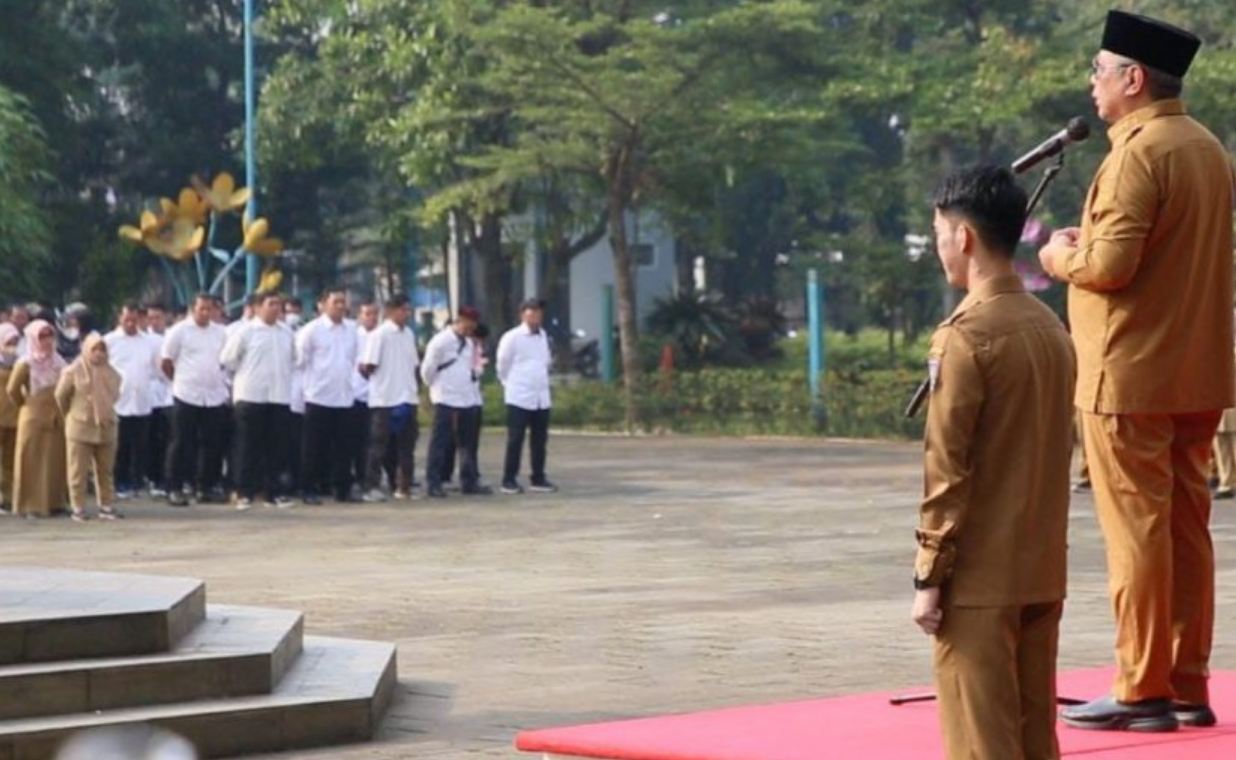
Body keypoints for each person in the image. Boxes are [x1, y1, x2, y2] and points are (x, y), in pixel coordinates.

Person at [1038, 11, 1234, 731]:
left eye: (1099, 70)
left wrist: (1059, 256)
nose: (1092, 84)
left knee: (1139, 534)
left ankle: (1140, 685)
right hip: (1195, 371)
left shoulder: (1136, 155)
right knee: (1186, 529)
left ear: (1133, 78)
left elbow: (1111, 266)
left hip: (1130, 376)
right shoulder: (1207, 148)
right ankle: (1186, 684)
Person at [911, 166, 1075, 760]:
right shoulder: (1051, 328)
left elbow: (947, 471)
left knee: (983, 742)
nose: (938, 248)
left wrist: (929, 576)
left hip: (979, 579)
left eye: (937, 234)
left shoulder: (964, 336)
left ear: (964, 238)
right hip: (1040, 568)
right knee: (1036, 739)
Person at [220, 293, 296, 511]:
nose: (275, 308)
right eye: (270, 304)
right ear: (257, 307)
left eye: (278, 304)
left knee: (277, 448)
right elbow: (228, 360)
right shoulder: (245, 332)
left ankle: (274, 493)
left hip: (279, 396)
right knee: (246, 447)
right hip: (251, 396)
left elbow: (294, 359)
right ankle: (244, 492)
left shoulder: (286, 333)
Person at [161, 294, 229, 507]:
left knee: (211, 444)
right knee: (181, 442)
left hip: (213, 395)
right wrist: (178, 380)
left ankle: (205, 487)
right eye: (202, 309)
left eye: (210, 309)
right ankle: (174, 487)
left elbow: (225, 361)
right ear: (193, 309)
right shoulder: (179, 331)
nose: (206, 313)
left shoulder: (221, 333)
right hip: (186, 394)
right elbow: (166, 361)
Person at [296, 287, 359, 503]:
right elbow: (299, 362)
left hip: (343, 396)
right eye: (336, 302)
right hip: (318, 396)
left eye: (343, 302)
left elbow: (353, 360)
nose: (341, 306)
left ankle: (343, 489)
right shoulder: (311, 330)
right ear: (323, 304)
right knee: (314, 448)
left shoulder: (352, 329)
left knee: (344, 447)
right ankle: (309, 489)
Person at [422, 307, 491, 497]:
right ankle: (434, 482)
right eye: (469, 324)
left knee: (468, 443)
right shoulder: (441, 342)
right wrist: (433, 389)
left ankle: (469, 480)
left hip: (466, 397)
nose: (471, 328)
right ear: (460, 320)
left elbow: (472, 368)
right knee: (440, 441)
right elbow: (428, 370)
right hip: (445, 396)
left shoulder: (469, 343)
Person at [359, 294, 420, 502]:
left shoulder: (409, 334)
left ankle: (404, 486)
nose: (407, 314)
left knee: (407, 446)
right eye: (403, 310)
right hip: (384, 398)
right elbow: (368, 365)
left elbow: (413, 364)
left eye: (408, 310)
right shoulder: (380, 335)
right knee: (378, 446)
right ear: (391, 311)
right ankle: (371, 486)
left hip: (407, 396)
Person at [56, 333, 123, 521]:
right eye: (94, 349)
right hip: (80, 427)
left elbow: (115, 397)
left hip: (107, 427)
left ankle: (106, 506)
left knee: (106, 470)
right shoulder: (72, 371)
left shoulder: (113, 373)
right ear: (85, 349)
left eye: (102, 350)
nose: (99, 354)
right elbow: (60, 397)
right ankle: (78, 507)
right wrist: (72, 414)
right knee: (78, 470)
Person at [5, 320, 68, 517]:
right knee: (31, 461)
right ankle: (30, 505)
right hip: (32, 416)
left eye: (50, 336)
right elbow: (12, 390)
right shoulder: (25, 363)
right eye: (42, 337)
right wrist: (28, 406)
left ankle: (55, 502)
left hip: (55, 417)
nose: (47, 341)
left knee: (55, 460)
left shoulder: (59, 362)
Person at [497, 299, 556, 494]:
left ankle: (538, 477)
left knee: (540, 440)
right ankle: (509, 478)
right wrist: (511, 384)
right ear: (522, 315)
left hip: (541, 395)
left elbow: (545, 362)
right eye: (530, 314)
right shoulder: (512, 337)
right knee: (516, 439)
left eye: (538, 314)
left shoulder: (543, 336)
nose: (534, 318)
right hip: (519, 395)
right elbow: (502, 365)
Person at [105, 304, 161, 498]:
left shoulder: (149, 342)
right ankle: (120, 481)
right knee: (121, 445)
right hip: (119, 400)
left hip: (142, 399)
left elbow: (156, 369)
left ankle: (137, 481)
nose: (131, 323)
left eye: (134, 320)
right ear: (120, 318)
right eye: (127, 319)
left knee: (141, 445)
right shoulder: (110, 341)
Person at [145, 303, 173, 496]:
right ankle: (153, 478)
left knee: (169, 439)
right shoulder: (145, 340)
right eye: (151, 317)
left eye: (158, 317)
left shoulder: (172, 336)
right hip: (151, 394)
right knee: (153, 440)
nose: (154, 321)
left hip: (171, 393)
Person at [0, 324, 20, 513]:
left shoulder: (21, 362)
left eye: (15, 342)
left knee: (10, 462)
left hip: (15, 417)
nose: (12, 346)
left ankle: (7, 498)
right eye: (8, 342)